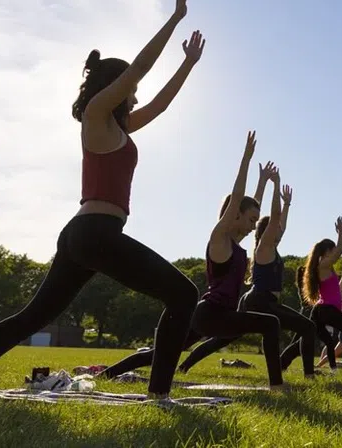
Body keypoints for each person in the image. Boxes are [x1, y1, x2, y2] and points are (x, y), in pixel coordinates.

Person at [0, 0, 204, 400]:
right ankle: (159, 396)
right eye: (129, 89)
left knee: (32, 316)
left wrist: (188, 65)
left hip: (87, 235)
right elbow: (138, 71)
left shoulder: (118, 127)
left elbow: (161, 104)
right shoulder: (95, 116)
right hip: (95, 233)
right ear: (115, 86)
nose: (135, 95)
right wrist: (175, 18)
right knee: (184, 294)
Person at [99, 132, 285, 390]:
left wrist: (263, 181)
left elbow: (249, 205)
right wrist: (246, 159)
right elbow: (238, 197)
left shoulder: (238, 243)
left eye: (257, 221)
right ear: (235, 216)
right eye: (252, 220)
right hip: (212, 314)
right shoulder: (220, 237)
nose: (255, 226)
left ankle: (107, 375)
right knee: (271, 323)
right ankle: (277, 385)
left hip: (212, 315)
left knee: (161, 353)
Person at [176, 179, 318, 379]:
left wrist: (287, 205)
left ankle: (184, 365)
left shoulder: (273, 246)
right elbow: (274, 217)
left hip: (262, 300)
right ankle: (306, 374)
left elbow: (281, 223)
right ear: (266, 231)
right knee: (307, 326)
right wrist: (276, 189)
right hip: (259, 300)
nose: (280, 228)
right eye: (275, 227)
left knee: (224, 338)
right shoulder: (264, 246)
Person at [281, 219, 342, 377]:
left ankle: (281, 363)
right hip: (327, 310)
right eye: (332, 250)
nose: (335, 252)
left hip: (321, 310)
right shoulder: (323, 265)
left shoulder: (325, 267)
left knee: (305, 338)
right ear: (327, 252)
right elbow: (341, 250)